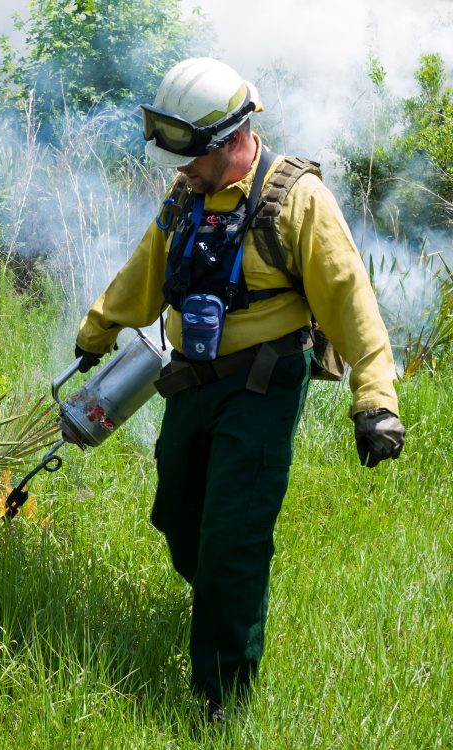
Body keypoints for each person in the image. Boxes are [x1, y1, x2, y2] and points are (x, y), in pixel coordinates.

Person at [71, 57, 406, 724]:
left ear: (230, 141)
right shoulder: (187, 196)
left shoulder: (298, 200)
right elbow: (148, 264)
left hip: (262, 385)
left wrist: (376, 401)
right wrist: (99, 329)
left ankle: (221, 697)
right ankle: (229, 600)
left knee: (233, 537)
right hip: (189, 381)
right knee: (176, 514)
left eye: (189, 155)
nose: (180, 169)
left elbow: (350, 302)